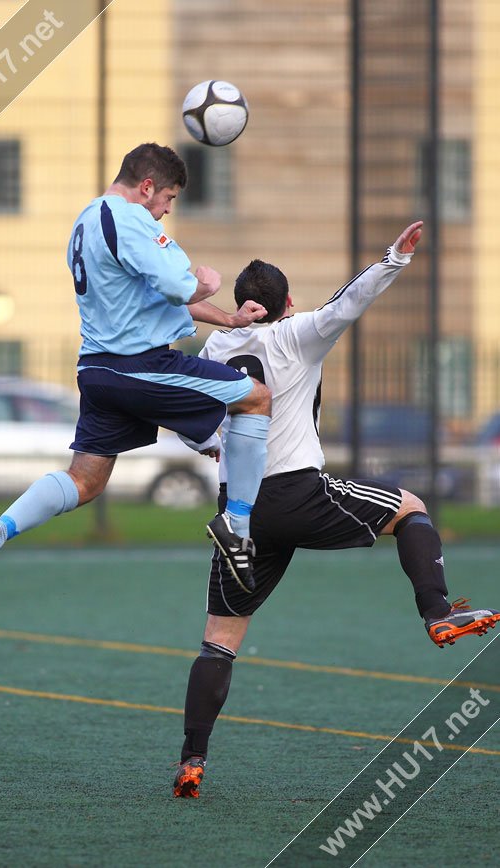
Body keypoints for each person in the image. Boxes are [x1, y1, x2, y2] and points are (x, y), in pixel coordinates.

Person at [173, 220, 500, 798]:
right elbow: (345, 305)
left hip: (239, 515)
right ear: (288, 304)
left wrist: (215, 445)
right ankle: (437, 611)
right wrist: (394, 259)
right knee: (410, 508)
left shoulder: (216, 346)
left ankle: (192, 761)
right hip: (298, 493)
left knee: (218, 642)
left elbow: (193, 427)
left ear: (241, 306)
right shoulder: (298, 333)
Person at [0, 143, 272, 595]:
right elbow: (177, 285)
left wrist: (229, 319)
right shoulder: (128, 217)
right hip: (139, 366)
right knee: (256, 398)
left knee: (85, 481)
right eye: (168, 198)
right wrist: (206, 282)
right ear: (147, 186)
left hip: (98, 372)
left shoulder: (85, 221)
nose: (166, 211)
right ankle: (239, 528)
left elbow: (148, 298)